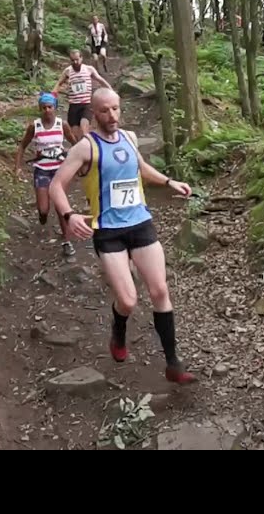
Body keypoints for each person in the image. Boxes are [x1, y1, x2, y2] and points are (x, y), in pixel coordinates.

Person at [48, 87, 197, 384]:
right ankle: (119, 330)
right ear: (94, 113)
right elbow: (56, 185)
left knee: (159, 291)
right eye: (104, 110)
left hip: (140, 223)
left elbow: (140, 169)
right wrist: (69, 215)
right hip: (109, 231)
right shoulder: (85, 147)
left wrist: (169, 181)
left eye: (115, 108)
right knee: (128, 301)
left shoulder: (129, 138)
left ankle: (173, 363)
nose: (111, 115)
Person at [15, 92, 77, 258]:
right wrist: (17, 167)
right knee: (43, 209)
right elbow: (22, 146)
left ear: (55, 107)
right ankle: (42, 217)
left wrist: (73, 155)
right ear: (40, 109)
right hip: (41, 169)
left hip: (59, 170)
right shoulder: (34, 126)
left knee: (60, 207)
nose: (47, 110)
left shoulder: (62, 124)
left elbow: (75, 143)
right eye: (44, 108)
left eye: (50, 107)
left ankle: (67, 241)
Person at [51, 49, 111, 138]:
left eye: (77, 59)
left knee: (84, 130)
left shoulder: (89, 69)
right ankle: (79, 150)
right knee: (75, 135)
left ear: (81, 58)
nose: (75, 62)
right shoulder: (68, 71)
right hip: (73, 106)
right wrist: (52, 95)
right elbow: (59, 83)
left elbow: (100, 80)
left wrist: (110, 90)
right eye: (72, 60)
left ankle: (88, 148)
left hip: (86, 104)